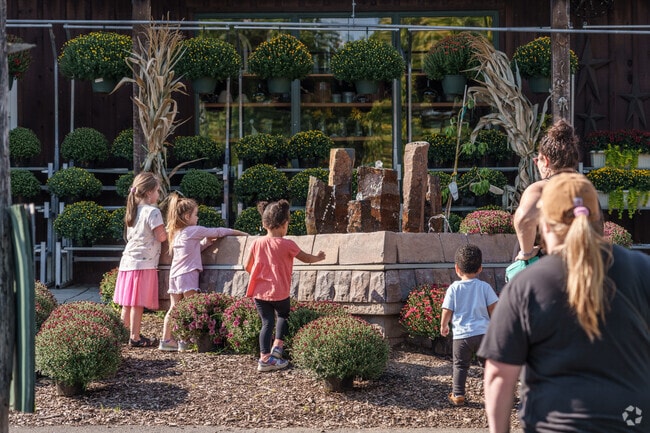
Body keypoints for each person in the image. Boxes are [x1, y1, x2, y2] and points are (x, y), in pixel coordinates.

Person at [479, 172, 650, 433]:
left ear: (545, 225)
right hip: (632, 421)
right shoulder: (643, 270)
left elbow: (499, 375)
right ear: (598, 220)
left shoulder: (526, 285)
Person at [159, 193, 248, 352]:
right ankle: (185, 341)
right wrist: (240, 233)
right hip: (188, 274)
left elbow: (195, 249)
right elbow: (219, 231)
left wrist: (206, 242)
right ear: (187, 216)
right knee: (191, 308)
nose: (197, 217)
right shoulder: (194, 230)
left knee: (174, 308)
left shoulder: (177, 233)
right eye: (195, 214)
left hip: (174, 275)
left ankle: (166, 339)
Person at [245, 199, 326, 372]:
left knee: (266, 323)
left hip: (259, 293)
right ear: (284, 224)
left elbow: (247, 266)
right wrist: (318, 257)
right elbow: (306, 258)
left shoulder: (256, 243)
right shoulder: (287, 244)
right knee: (283, 316)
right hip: (280, 292)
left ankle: (264, 359)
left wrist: (259, 276)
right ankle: (277, 348)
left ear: (264, 223)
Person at [512, 119, 579, 261]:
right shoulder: (586, 189)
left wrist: (526, 253)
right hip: (584, 265)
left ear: (546, 161)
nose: (536, 164)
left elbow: (524, 219)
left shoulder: (541, 188)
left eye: (538, 160)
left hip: (549, 265)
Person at [440, 244, 498, 406]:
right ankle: (492, 394)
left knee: (460, 365)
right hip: (483, 334)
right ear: (480, 269)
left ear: (457, 269)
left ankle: (458, 395)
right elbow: (494, 308)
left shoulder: (453, 289)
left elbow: (447, 310)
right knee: (488, 365)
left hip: (461, 336)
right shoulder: (484, 287)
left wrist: (444, 325)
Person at [113, 171, 166, 347]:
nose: (159, 195)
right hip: (144, 263)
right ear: (149, 192)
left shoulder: (133, 211)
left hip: (127, 262)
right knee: (137, 302)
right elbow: (161, 237)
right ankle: (135, 337)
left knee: (127, 303)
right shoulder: (153, 212)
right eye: (158, 190)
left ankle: (123, 333)